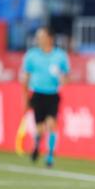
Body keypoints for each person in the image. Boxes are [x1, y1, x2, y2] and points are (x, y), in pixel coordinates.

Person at [21, 27, 70, 167]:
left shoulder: (60, 56)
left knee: (51, 124)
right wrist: (25, 98)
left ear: (50, 38)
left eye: (41, 36)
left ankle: (50, 156)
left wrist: (61, 77)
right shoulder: (31, 55)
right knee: (39, 128)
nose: (38, 39)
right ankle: (37, 145)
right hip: (37, 93)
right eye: (38, 36)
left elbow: (67, 77)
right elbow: (25, 77)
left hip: (52, 94)